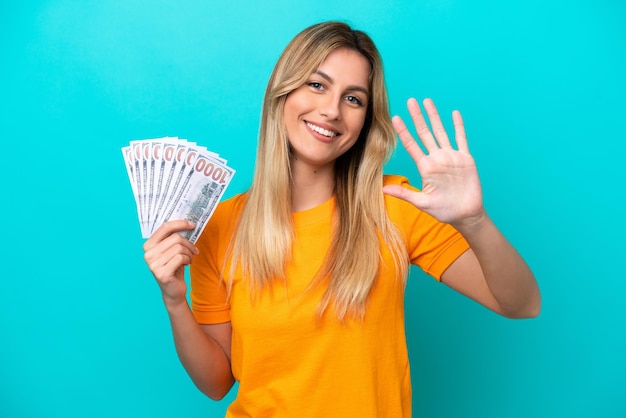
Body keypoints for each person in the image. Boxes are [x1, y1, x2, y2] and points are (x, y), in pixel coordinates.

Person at [142, 21, 541, 418]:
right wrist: (175, 300)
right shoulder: (222, 227)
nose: (331, 110)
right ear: (282, 93)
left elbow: (522, 303)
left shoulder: (394, 206)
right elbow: (217, 384)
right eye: (317, 85)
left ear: (366, 121)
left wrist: (473, 220)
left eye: (354, 99)